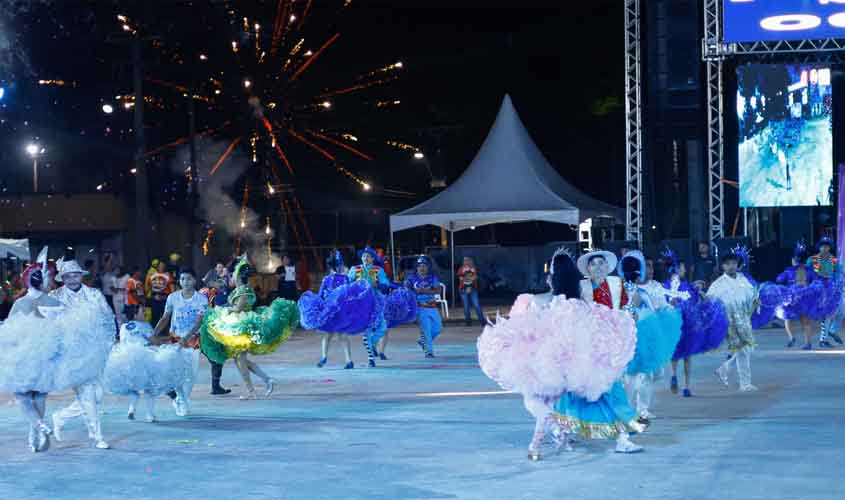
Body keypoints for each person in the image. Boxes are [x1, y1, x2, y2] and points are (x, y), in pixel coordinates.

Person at [480, 247, 643, 459]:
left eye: (601, 263)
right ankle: (608, 437)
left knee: (551, 399)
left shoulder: (547, 301)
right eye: (594, 264)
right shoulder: (579, 299)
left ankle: (550, 438)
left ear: (552, 278)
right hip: (587, 359)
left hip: (561, 361)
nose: (598, 267)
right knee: (602, 396)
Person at [201, 256, 299, 399]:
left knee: (240, 359)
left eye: (233, 275)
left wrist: (224, 309)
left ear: (238, 276)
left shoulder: (244, 291)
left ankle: (252, 391)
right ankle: (266, 380)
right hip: (239, 325)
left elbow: (238, 308)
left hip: (243, 326)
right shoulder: (240, 289)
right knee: (239, 360)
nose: (231, 277)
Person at [50, 249, 116, 450]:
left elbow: (107, 318)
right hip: (70, 354)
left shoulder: (94, 294)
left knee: (97, 394)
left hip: (95, 351)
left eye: (75, 275)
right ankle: (97, 436)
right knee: (88, 395)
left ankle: (61, 417)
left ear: (81, 275)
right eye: (67, 276)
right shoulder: (55, 296)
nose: (72, 279)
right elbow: (49, 325)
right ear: (62, 278)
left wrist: (109, 343)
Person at [618, 251, 682, 423]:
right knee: (636, 374)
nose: (649, 270)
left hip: (651, 337)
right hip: (632, 338)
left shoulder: (653, 288)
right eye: (644, 266)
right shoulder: (623, 289)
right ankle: (637, 410)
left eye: (651, 266)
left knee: (656, 373)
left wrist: (672, 307)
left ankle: (637, 408)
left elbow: (661, 308)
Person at [661, 248, 728, 398]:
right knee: (686, 355)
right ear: (676, 269)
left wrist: (698, 291)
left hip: (677, 323)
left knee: (675, 352)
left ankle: (674, 376)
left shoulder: (667, 286)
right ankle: (686, 386)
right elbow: (693, 302)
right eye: (682, 268)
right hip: (684, 324)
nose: (684, 270)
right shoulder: (681, 286)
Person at [298, 250, 377, 369]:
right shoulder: (343, 278)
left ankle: (325, 358)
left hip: (331, 312)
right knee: (341, 336)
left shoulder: (328, 279)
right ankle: (347, 360)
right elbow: (349, 294)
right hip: (340, 311)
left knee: (329, 335)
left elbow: (321, 295)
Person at [103, 321, 191, 422]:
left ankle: (131, 410)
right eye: (142, 312)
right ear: (137, 313)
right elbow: (153, 341)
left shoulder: (123, 327)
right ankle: (150, 415)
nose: (144, 313)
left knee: (133, 388)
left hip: (126, 361)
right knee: (150, 388)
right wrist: (171, 339)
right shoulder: (144, 325)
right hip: (144, 358)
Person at [152, 268, 208, 416]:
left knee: (191, 374)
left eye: (189, 278)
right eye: (182, 279)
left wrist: (187, 337)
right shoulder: (172, 297)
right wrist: (154, 334)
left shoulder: (201, 299)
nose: (185, 282)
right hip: (175, 339)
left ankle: (181, 399)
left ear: (194, 280)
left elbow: (199, 322)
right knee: (176, 371)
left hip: (193, 341)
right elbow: (165, 317)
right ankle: (181, 401)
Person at [706, 249, 759, 392]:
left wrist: (755, 303)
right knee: (743, 349)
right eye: (728, 264)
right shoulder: (718, 284)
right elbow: (709, 302)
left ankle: (726, 369)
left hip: (744, 318)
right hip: (728, 320)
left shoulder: (743, 279)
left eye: (734, 263)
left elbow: (752, 295)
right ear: (723, 266)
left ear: (737, 264)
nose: (731, 266)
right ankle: (744, 383)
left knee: (746, 349)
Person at [776, 242, 829, 350]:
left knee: (787, 318)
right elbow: (817, 281)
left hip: (792, 297)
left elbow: (779, 279)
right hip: (805, 296)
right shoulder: (809, 270)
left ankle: (791, 337)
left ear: (793, 260)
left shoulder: (789, 270)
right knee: (806, 321)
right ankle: (808, 343)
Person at [348, 247, 391, 367]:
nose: (365, 258)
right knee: (366, 330)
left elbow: (385, 285)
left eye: (368, 256)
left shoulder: (378, 270)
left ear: (373, 258)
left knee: (383, 327)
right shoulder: (355, 269)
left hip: (376, 302)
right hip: (361, 303)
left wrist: (377, 285)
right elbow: (347, 284)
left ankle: (372, 343)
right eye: (364, 256)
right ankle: (371, 358)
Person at [808, 236, 843, 348]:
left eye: (826, 246)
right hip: (818, 290)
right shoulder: (813, 260)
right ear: (819, 247)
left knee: (842, 311)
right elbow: (809, 275)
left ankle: (832, 330)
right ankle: (823, 340)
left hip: (832, 289)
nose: (824, 248)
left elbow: (838, 275)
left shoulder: (834, 261)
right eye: (822, 246)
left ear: (829, 248)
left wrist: (835, 285)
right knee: (826, 315)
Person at [405, 256, 443, 358]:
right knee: (426, 330)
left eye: (424, 266)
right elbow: (406, 290)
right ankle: (429, 351)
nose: (422, 268)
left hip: (432, 306)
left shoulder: (432, 277)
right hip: (420, 307)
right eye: (420, 266)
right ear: (416, 267)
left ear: (428, 267)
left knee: (438, 328)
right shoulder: (411, 278)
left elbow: (438, 290)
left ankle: (423, 342)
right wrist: (413, 295)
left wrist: (424, 291)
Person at [458, 256, 485, 327]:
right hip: (463, 289)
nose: (465, 262)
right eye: (464, 261)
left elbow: (475, 278)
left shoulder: (474, 269)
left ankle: (482, 321)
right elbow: (461, 278)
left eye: (467, 260)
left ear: (470, 261)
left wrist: (470, 276)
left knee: (476, 305)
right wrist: (468, 276)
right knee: (466, 306)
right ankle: (468, 322)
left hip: (473, 289)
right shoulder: (461, 269)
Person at [147, 261, 173, 327]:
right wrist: (150, 295)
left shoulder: (168, 275)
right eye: (160, 265)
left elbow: (172, 287)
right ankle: (154, 331)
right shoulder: (152, 275)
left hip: (164, 299)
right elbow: (149, 286)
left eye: (163, 266)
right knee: (154, 317)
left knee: (165, 317)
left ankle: (165, 330)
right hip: (155, 299)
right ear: (157, 267)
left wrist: (171, 297)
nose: (162, 267)